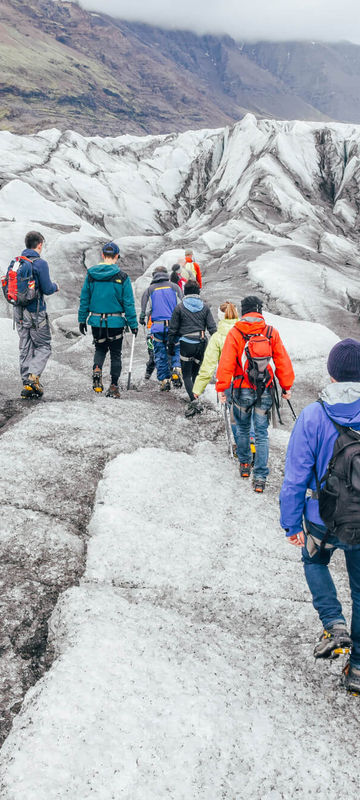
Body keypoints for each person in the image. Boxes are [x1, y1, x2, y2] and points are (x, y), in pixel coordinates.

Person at [280, 338, 360, 694]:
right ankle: (357, 670)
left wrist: (290, 523)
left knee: (314, 562)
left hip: (321, 519)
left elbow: (295, 475)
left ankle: (333, 624)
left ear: (331, 374)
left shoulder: (314, 414)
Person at [216, 295, 294, 492]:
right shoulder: (270, 332)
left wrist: (221, 388)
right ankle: (260, 478)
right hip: (265, 389)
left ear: (244, 311)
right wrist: (286, 387)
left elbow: (226, 362)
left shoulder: (235, 332)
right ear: (260, 311)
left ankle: (244, 464)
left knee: (242, 429)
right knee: (261, 434)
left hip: (241, 388)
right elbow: (282, 360)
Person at [78, 242, 138, 398]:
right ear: (117, 257)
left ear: (103, 255)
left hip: (96, 321)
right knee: (116, 354)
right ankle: (113, 387)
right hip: (115, 322)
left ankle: (97, 369)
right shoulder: (122, 277)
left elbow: (85, 298)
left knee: (100, 349)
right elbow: (128, 303)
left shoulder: (91, 275)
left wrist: (82, 319)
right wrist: (133, 324)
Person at [13, 231, 59, 399]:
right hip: (35, 312)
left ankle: (27, 384)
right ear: (39, 244)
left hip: (18, 311)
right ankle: (33, 378)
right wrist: (56, 286)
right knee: (44, 346)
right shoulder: (40, 264)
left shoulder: (17, 262)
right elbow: (47, 288)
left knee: (25, 346)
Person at [168, 280, 217, 417]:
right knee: (196, 373)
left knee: (187, 375)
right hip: (202, 342)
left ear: (185, 291)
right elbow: (212, 328)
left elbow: (173, 329)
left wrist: (170, 347)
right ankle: (197, 396)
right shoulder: (205, 307)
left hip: (186, 343)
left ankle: (194, 402)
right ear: (198, 292)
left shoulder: (179, 308)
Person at [140, 266, 183, 391]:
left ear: (154, 275)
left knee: (160, 353)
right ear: (166, 274)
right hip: (174, 326)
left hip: (158, 327)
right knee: (176, 347)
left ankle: (165, 380)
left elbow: (144, 311)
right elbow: (182, 304)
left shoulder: (149, 290)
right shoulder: (175, 287)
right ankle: (176, 367)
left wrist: (142, 318)